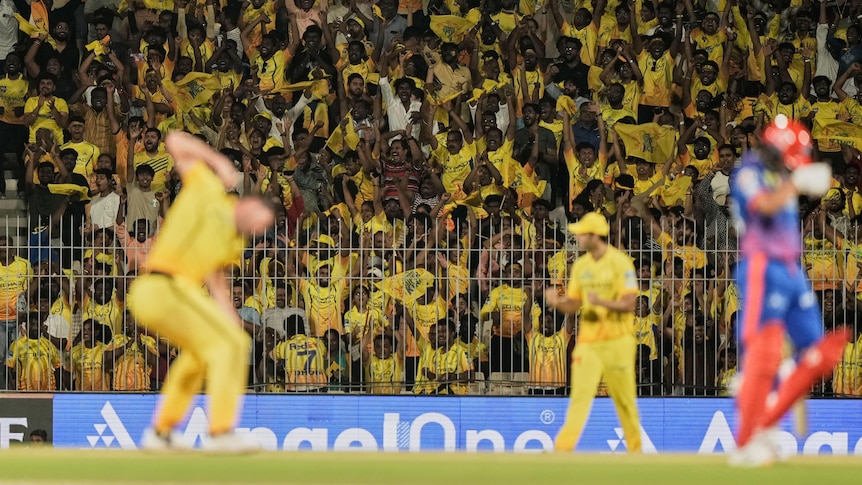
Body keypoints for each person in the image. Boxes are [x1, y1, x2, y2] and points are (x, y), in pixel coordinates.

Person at [128, 132, 274, 452]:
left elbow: (217, 281)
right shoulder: (208, 191)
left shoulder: (233, 241)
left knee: (213, 349)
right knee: (225, 347)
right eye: (256, 220)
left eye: (258, 229)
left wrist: (231, 318)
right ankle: (220, 433)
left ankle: (161, 431)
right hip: (159, 286)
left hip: (183, 293)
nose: (253, 229)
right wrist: (220, 162)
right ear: (246, 203)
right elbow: (175, 140)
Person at [729, 114, 850, 466]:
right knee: (762, 354)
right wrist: (797, 182)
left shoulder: (780, 171)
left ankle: (765, 403)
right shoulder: (748, 171)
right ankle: (752, 436)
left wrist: (796, 179)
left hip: (792, 269)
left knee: (819, 354)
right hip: (763, 266)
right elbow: (763, 207)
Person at [544, 212, 642, 453]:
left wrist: (602, 302)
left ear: (594, 235)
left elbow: (630, 304)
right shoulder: (581, 265)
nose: (576, 237)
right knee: (579, 397)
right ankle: (562, 450)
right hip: (588, 342)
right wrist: (557, 302)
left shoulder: (621, 263)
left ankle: (636, 452)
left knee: (624, 401)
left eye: (581, 233)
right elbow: (574, 304)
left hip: (618, 341)